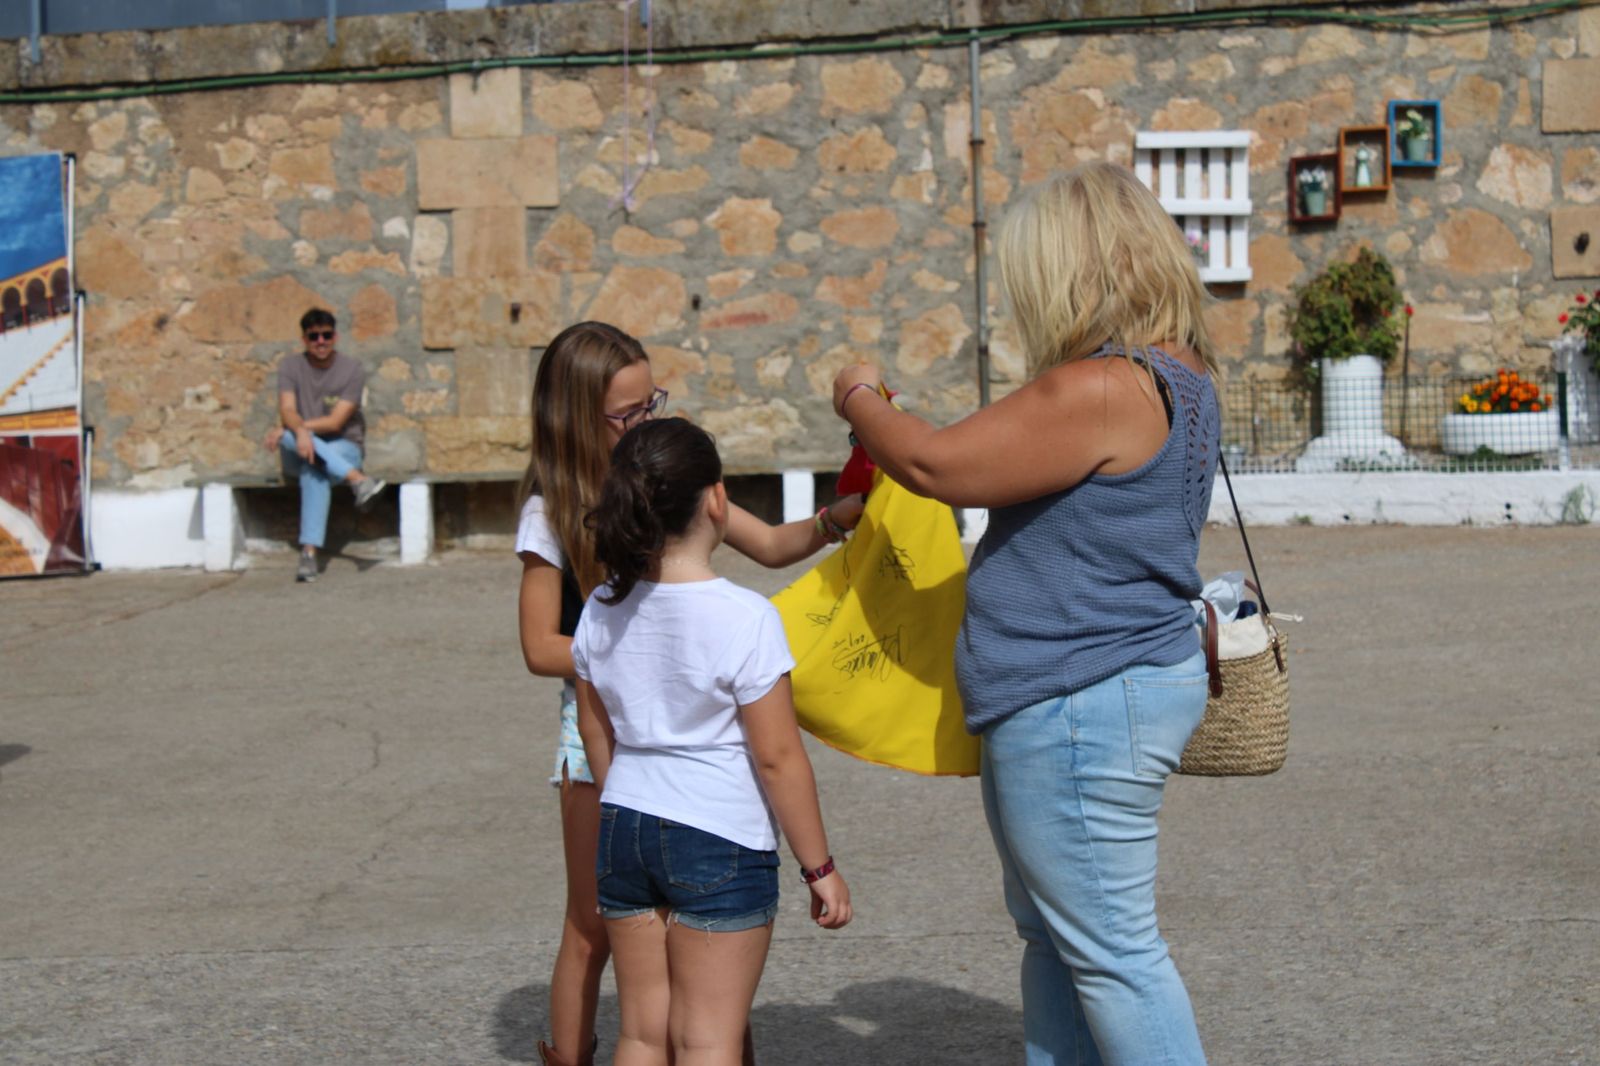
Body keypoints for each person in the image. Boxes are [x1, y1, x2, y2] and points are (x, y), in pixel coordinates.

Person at [832, 160, 1220, 1065]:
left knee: (1114, 953)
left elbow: (933, 466)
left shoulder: (1104, 387)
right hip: (1088, 691)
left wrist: (856, 393)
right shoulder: (1182, 372)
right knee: (1061, 940)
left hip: (1078, 701)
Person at [515, 321, 862, 1066]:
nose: (646, 419)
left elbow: (768, 545)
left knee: (666, 1003)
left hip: (631, 753)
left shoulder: (658, 488)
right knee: (592, 928)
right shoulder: (556, 508)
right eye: (627, 413)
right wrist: (654, 653)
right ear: (579, 416)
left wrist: (842, 516)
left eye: (651, 403)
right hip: (614, 740)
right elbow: (538, 644)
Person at [573, 417, 851, 1066]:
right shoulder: (746, 617)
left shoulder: (600, 608)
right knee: (708, 1038)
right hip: (719, 834)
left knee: (642, 1032)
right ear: (717, 500)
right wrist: (821, 868)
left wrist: (625, 797)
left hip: (625, 823)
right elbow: (778, 758)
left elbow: (594, 726)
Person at [262, 308, 386, 583]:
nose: (321, 341)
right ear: (304, 340)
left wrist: (298, 428)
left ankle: (308, 554)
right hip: (301, 450)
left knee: (312, 468)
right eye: (314, 336)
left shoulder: (352, 370)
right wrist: (296, 431)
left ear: (335, 336)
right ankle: (359, 481)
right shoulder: (290, 367)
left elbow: (335, 422)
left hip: (344, 447)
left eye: (326, 335)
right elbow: (287, 408)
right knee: (291, 439)